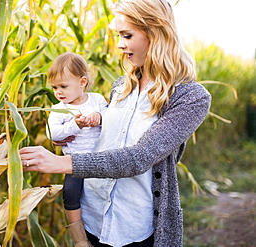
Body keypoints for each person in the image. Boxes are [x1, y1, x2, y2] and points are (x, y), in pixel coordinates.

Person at [20, 0, 211, 246]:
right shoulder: (120, 87)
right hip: (92, 218)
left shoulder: (190, 98)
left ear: (156, 32)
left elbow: (139, 157)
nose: (120, 45)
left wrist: (60, 163)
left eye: (127, 35)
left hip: (135, 229)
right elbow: (103, 143)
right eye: (118, 35)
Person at [46, 52, 108, 247]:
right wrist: (75, 125)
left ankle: (106, 231)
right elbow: (53, 134)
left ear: (82, 82)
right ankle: (80, 239)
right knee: (70, 193)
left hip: (100, 161)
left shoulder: (96, 100)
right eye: (54, 87)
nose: (58, 92)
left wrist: (99, 116)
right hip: (73, 163)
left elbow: (111, 119)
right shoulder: (59, 109)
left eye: (63, 86)